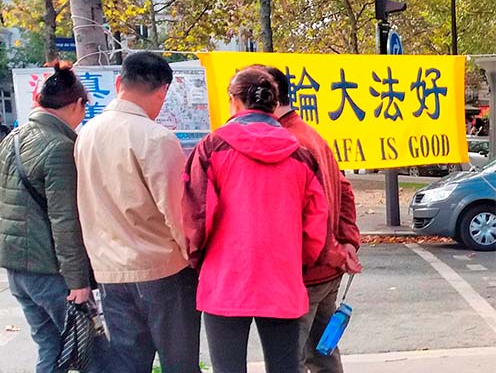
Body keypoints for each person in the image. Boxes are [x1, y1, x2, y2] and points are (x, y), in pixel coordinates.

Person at [182, 66, 329, 373]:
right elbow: (317, 221)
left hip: (225, 278)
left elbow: (197, 215)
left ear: (234, 100)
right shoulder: (301, 155)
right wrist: (298, 261)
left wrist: (198, 258)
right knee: (285, 367)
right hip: (283, 278)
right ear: (274, 104)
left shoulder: (211, 148)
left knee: (228, 368)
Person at [75, 51, 201, 373]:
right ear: (163, 91)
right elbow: (178, 213)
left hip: (109, 271)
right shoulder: (157, 138)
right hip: (163, 271)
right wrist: (194, 258)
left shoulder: (85, 134)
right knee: (180, 364)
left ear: (119, 82)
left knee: (127, 364)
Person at [0, 62, 111, 373]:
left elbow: (1, 205)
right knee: (92, 352)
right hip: (52, 273)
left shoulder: (12, 139)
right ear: (77, 105)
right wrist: (78, 282)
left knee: (51, 346)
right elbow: (65, 220)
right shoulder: (60, 148)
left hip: (16, 268)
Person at [265, 66, 362, 373]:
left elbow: (309, 214)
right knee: (322, 354)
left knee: (289, 361)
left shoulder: (286, 141)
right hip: (326, 270)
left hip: (305, 273)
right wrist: (347, 243)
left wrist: (337, 248)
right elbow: (345, 190)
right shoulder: (309, 133)